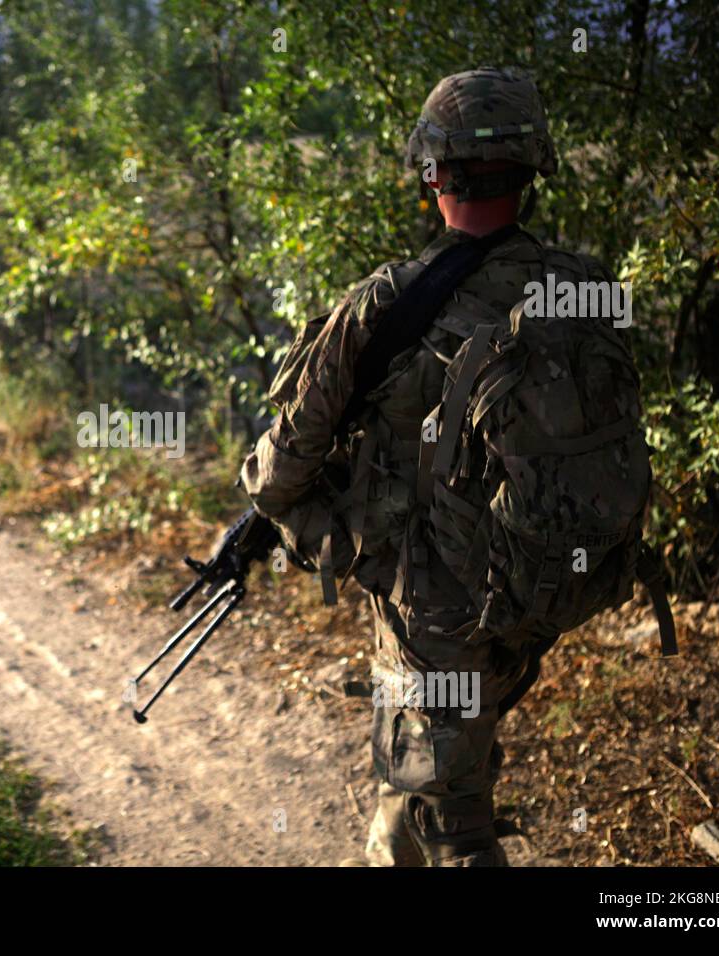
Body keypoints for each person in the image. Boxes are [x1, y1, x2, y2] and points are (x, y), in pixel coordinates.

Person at [240, 67, 621, 866]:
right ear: (530, 171)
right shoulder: (586, 290)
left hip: (437, 612)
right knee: (420, 783)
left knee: (454, 826)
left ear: (433, 172)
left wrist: (335, 539)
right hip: (534, 591)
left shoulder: (387, 302)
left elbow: (275, 479)